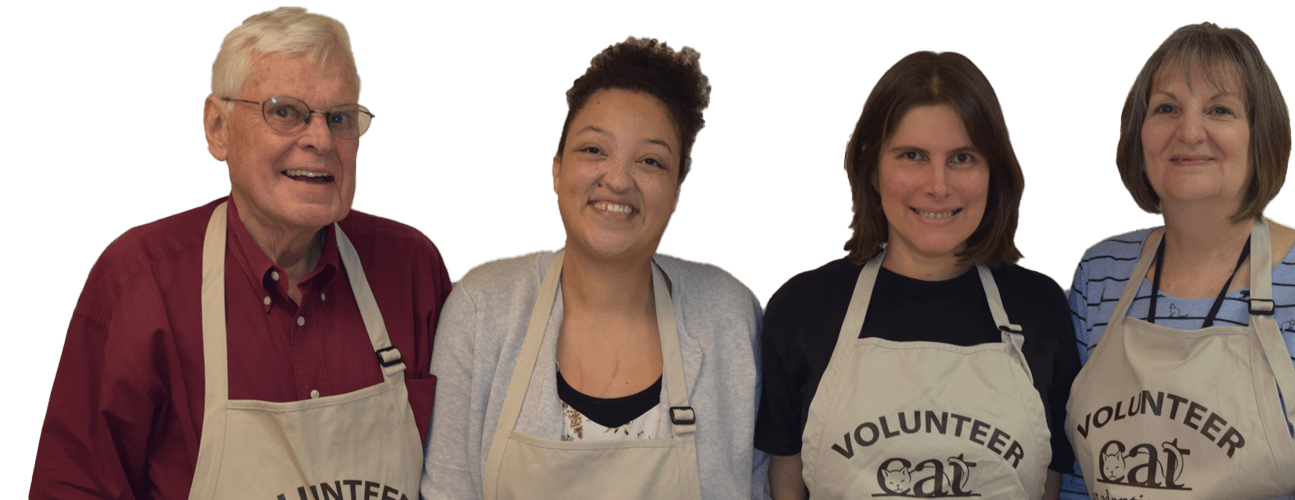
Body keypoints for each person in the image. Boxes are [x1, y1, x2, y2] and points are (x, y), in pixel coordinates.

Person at [29, 6, 451, 500]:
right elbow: (74, 487)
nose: (320, 139)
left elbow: (457, 471)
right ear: (217, 128)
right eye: (285, 112)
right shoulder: (141, 282)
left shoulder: (411, 269)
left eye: (339, 118)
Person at [1060, 22, 1295, 499]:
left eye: (1219, 109)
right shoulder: (1101, 274)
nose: (1189, 131)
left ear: (1259, 135)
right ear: (1139, 137)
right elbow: (1078, 477)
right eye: (1166, 108)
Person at [420, 36, 763, 500]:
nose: (618, 179)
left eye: (650, 161)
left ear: (678, 188)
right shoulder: (483, 309)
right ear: (557, 168)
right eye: (594, 150)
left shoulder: (728, 316)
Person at [755, 51, 1080, 500]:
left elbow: (1049, 481)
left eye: (962, 158)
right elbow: (784, 486)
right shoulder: (802, 310)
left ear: (993, 173)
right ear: (872, 168)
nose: (938, 185)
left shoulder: (1041, 308)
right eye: (912, 156)